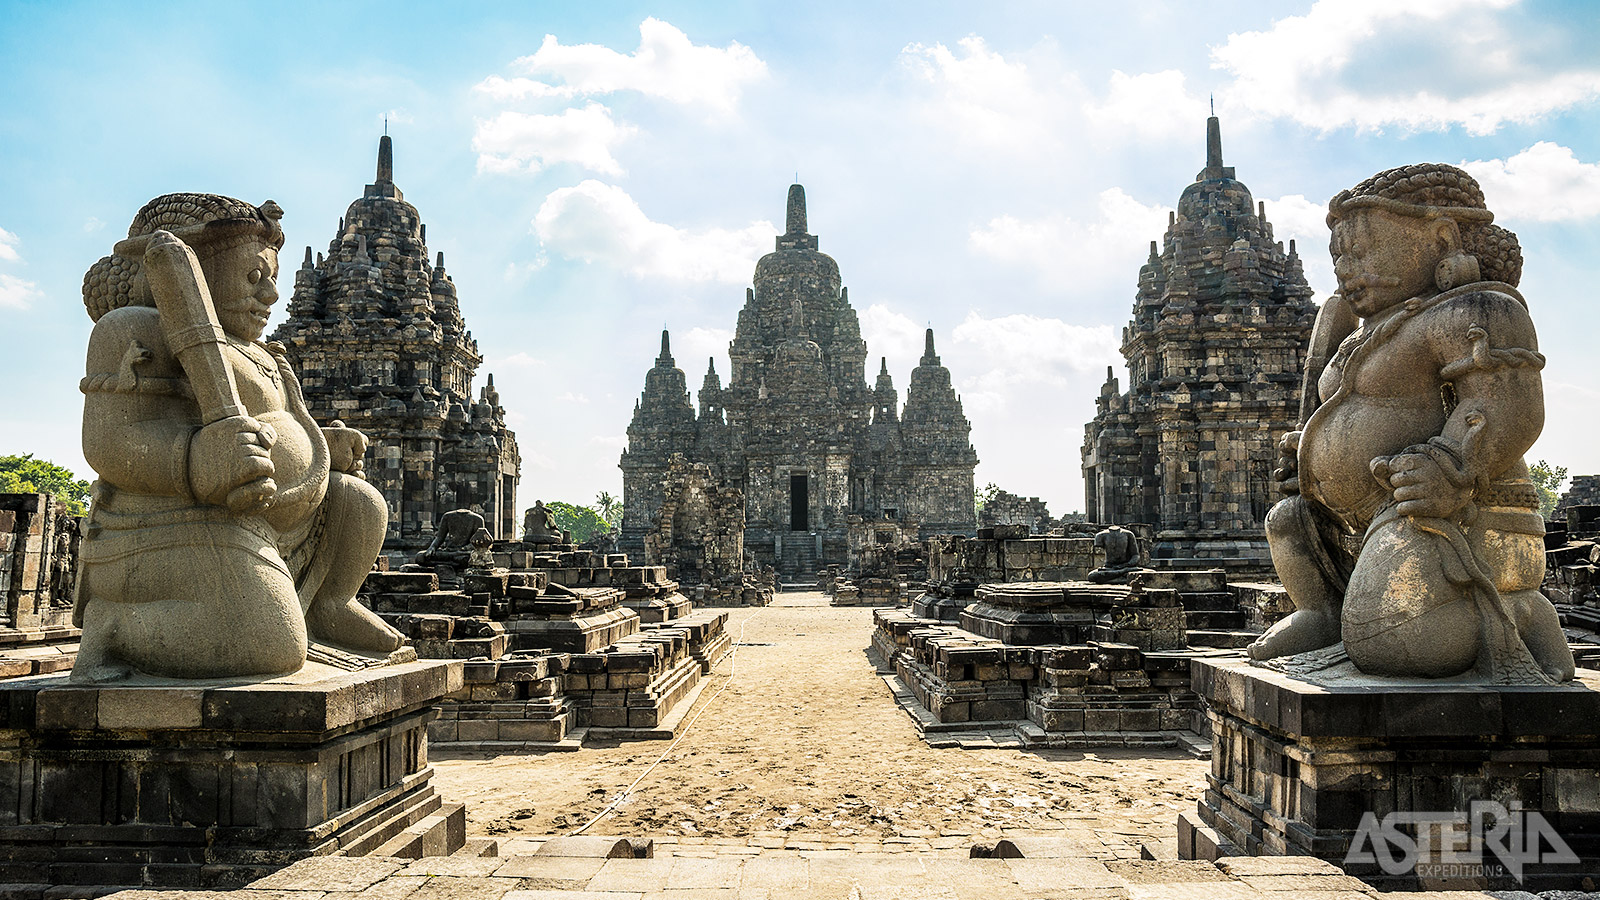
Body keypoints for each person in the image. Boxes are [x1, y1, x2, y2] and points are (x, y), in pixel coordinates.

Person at [1249, 164, 1572, 683]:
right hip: (1358, 520)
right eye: (1339, 256)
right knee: (1287, 521)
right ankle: (1323, 612)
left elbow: (1509, 407)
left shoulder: (1475, 308)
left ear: (1441, 237)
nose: (1346, 268)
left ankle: (1522, 612)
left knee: (1396, 645)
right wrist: (1309, 450)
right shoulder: (1362, 331)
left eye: (1364, 249)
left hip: (1452, 515)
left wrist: (1452, 467)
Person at [72, 193, 402, 682]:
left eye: (272, 279)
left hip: (281, 518)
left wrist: (320, 447)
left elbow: (284, 418)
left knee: (360, 500)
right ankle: (115, 625)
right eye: (253, 278)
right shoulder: (135, 330)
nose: (269, 295)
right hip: (178, 526)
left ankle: (328, 604)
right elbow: (109, 441)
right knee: (266, 646)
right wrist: (193, 460)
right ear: (196, 271)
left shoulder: (266, 355)